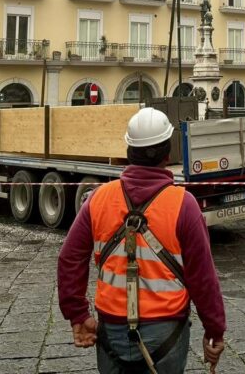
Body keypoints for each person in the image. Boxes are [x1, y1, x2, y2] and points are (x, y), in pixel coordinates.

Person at [58, 107, 226, 373]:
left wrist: (78, 314)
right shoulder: (184, 205)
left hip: (111, 330)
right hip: (166, 332)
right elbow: (202, 276)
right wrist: (214, 329)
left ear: (128, 151)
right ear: (167, 152)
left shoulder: (98, 199)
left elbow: (69, 258)